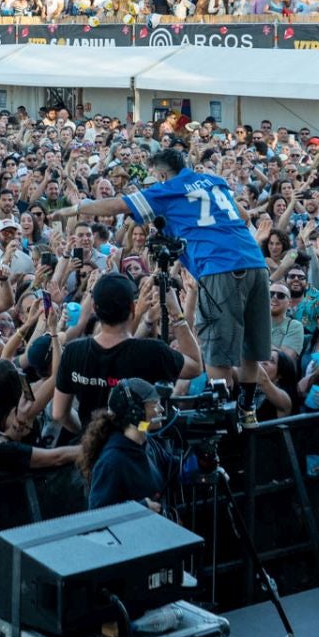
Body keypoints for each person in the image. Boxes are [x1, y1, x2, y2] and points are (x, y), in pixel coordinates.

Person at [61, 146, 271, 426]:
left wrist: (76, 208)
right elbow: (243, 216)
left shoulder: (168, 189)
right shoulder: (214, 180)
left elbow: (118, 205)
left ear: (161, 174)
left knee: (217, 349)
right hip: (255, 263)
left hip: (220, 266)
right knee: (250, 347)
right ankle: (247, 410)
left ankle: (222, 417)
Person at [50, 272, 197, 433]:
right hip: (136, 447)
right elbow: (195, 366)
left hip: (90, 452)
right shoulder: (152, 351)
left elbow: (59, 414)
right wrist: (176, 311)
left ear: (94, 308)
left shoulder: (73, 352)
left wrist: (88, 435)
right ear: (133, 307)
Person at [79, 378, 174, 510]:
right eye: (155, 404)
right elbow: (97, 515)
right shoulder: (111, 461)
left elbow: (172, 468)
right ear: (135, 412)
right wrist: (139, 508)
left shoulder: (147, 443)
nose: (161, 409)